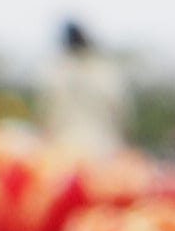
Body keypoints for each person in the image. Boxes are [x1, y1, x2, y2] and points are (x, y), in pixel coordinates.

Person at [42, 18, 132, 159]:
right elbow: (122, 114)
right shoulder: (107, 73)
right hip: (104, 148)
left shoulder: (58, 73)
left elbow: (47, 116)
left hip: (64, 147)